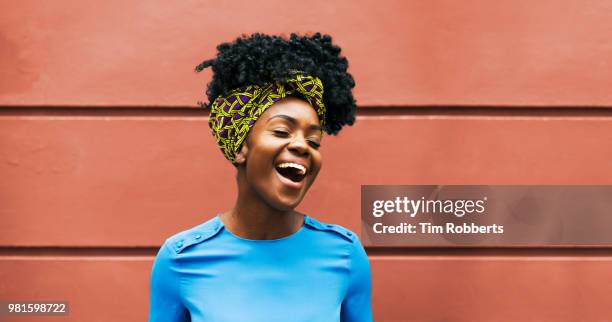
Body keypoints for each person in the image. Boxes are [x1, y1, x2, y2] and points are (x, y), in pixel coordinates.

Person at [148, 32, 373, 322]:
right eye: (281, 131)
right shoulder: (180, 259)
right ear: (241, 147)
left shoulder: (345, 254)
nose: (301, 146)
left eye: (314, 141)